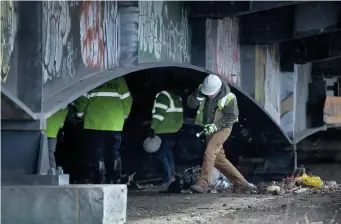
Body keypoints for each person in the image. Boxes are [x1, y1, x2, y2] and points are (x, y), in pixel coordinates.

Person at [187, 74, 256, 193]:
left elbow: (232, 117)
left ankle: (203, 183)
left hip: (223, 128)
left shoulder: (229, 98)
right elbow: (191, 105)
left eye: (212, 93)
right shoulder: (202, 90)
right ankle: (243, 184)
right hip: (209, 127)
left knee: (209, 152)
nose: (209, 95)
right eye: (207, 92)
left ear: (219, 89)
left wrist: (215, 126)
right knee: (218, 160)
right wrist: (197, 97)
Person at [75, 76, 133, 184]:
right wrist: (123, 116)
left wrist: (80, 115)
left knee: (97, 150)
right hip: (115, 123)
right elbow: (128, 100)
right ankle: (114, 178)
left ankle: (99, 178)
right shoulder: (119, 79)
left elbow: (82, 99)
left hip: (94, 122)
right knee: (113, 150)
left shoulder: (92, 77)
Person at [147, 88, 184, 190]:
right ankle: (171, 177)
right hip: (174, 130)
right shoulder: (176, 97)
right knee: (168, 154)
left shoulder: (163, 96)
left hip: (163, 130)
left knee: (161, 154)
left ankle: (168, 178)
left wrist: (153, 127)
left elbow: (159, 114)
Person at [45, 106, 69, 170]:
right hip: (53, 133)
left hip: (41, 131)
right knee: (50, 153)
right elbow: (61, 125)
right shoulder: (64, 108)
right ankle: (52, 171)